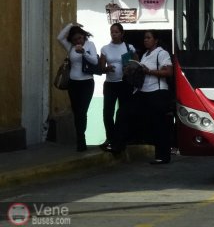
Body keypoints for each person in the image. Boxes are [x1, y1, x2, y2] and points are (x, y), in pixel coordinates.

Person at [108, 30, 173, 164]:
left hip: (157, 92)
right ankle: (118, 144)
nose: (145, 40)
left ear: (156, 40)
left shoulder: (161, 53)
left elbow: (168, 72)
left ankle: (163, 156)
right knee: (124, 112)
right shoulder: (144, 55)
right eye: (145, 38)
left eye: (149, 38)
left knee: (159, 124)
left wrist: (148, 71)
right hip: (143, 91)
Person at [57, 22, 99, 152]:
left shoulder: (90, 45)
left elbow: (95, 61)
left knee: (82, 111)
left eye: (79, 38)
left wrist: (84, 52)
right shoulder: (70, 47)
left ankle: (82, 138)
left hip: (87, 83)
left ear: (84, 36)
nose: (77, 41)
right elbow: (60, 38)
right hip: (73, 83)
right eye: (74, 39)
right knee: (76, 112)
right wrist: (71, 25)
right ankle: (80, 137)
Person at [98, 23, 138, 150]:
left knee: (123, 112)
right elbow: (101, 68)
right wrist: (107, 68)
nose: (114, 34)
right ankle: (110, 137)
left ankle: (121, 138)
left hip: (124, 84)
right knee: (107, 112)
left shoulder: (128, 47)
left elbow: (137, 63)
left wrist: (130, 67)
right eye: (112, 32)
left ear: (122, 33)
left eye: (116, 32)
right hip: (110, 84)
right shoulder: (105, 48)